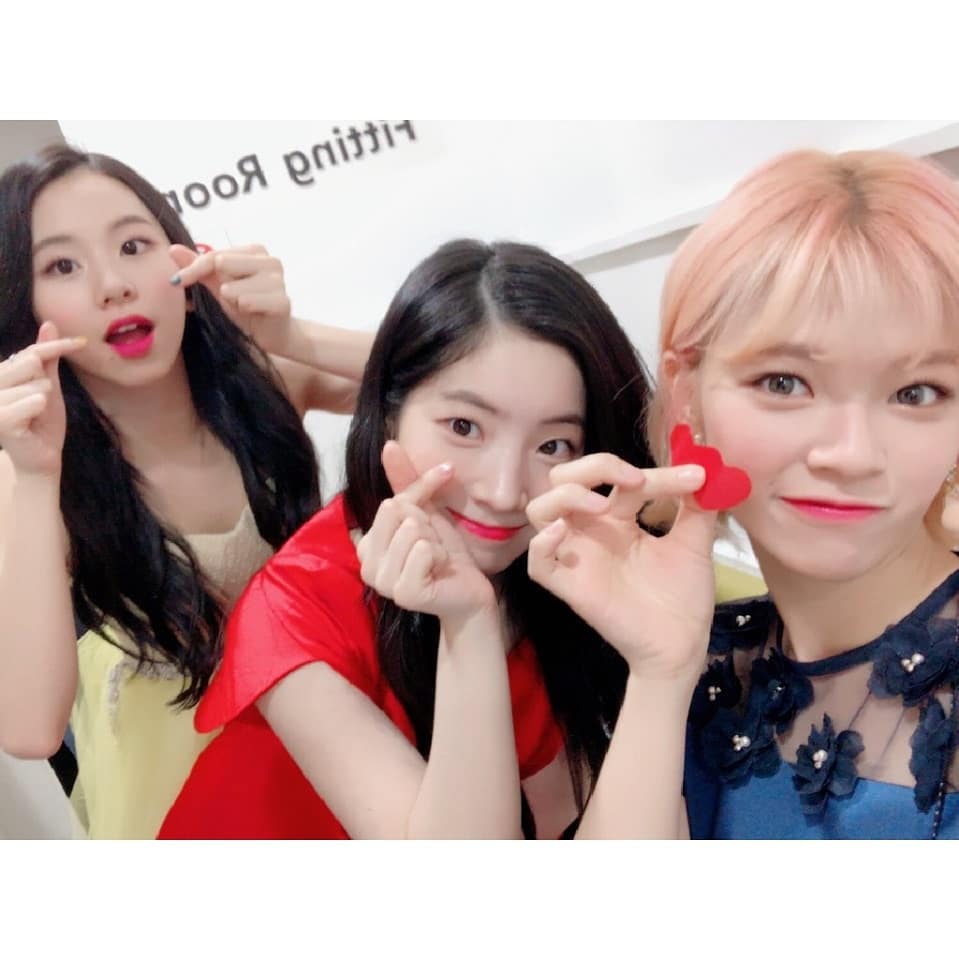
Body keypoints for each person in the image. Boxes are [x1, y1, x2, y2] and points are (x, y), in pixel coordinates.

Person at [157, 237, 709, 839]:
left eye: (552, 445)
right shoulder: (293, 608)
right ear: (388, 413)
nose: (503, 491)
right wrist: (469, 628)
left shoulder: (564, 565)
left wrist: (660, 668)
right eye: (464, 427)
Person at [525, 147, 959, 839]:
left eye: (917, 392)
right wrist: (660, 675)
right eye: (784, 382)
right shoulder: (704, 660)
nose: (850, 453)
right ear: (688, 395)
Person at [0, 144, 372, 838]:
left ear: (187, 263)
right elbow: (28, 728)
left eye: (133, 246)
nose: (114, 285)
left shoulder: (263, 382)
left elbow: (452, 389)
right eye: (62, 266)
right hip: (181, 812)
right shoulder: (26, 474)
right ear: (24, 308)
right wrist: (37, 476)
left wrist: (293, 336)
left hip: (339, 770)